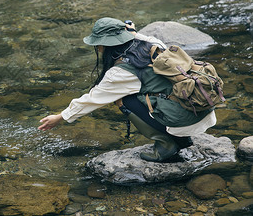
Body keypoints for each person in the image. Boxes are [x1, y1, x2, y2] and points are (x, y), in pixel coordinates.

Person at [38, 17, 217, 162]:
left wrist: (60, 117)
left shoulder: (121, 72)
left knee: (124, 100)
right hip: (199, 108)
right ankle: (182, 139)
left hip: (186, 120)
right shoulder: (151, 42)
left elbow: (92, 99)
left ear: (106, 45)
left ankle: (167, 144)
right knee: (153, 92)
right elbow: (135, 34)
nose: (97, 48)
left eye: (98, 44)